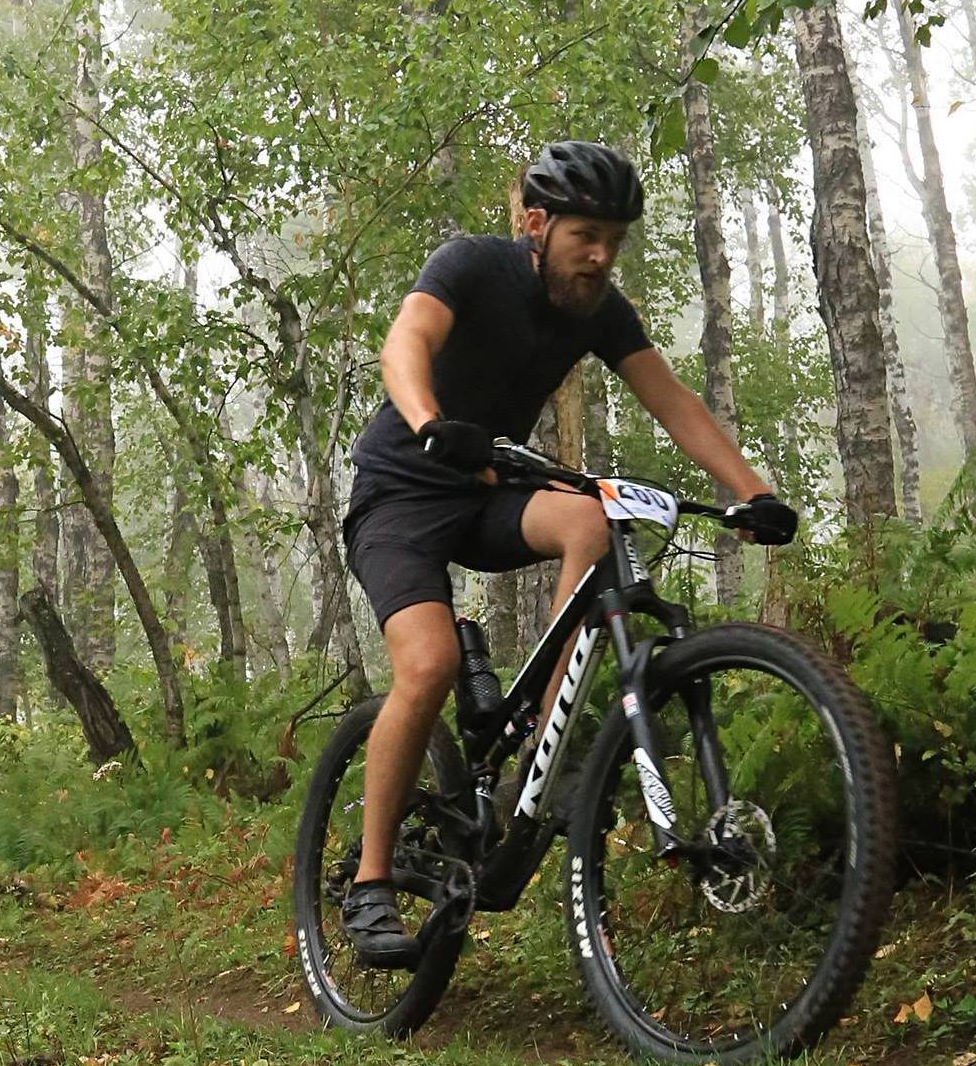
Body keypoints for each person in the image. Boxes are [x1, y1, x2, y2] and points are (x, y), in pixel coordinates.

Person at [339, 140, 798, 967]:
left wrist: (751, 492)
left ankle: (534, 759)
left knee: (591, 520)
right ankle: (370, 880)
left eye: (613, 241)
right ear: (536, 224)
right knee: (429, 662)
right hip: (400, 494)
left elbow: (673, 401)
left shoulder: (598, 310)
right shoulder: (471, 266)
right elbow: (404, 343)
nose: (599, 256)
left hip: (486, 492)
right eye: (585, 235)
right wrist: (429, 421)